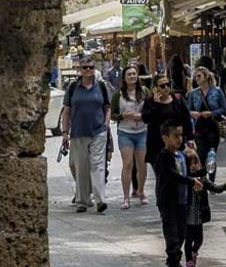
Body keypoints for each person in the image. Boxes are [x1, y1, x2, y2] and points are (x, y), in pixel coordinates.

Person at [153, 118, 201, 267]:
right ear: (165, 138)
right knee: (172, 232)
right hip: (168, 201)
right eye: (175, 136)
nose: (179, 139)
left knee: (181, 232)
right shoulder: (163, 157)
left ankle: (174, 260)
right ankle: (172, 263)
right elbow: (172, 175)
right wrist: (190, 181)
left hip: (182, 200)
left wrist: (196, 178)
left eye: (181, 136)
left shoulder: (181, 156)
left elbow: (187, 174)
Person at [61, 58, 111, 213]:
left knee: (97, 165)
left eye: (90, 67)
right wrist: (64, 132)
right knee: (81, 167)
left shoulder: (101, 86)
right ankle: (82, 200)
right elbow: (67, 111)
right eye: (85, 67)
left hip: (98, 131)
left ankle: (100, 200)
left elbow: (107, 107)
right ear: (80, 70)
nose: (88, 70)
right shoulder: (73, 88)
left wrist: (106, 124)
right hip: (78, 132)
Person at [183, 140, 226, 267]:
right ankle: (189, 261)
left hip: (199, 216)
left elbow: (216, 188)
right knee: (188, 239)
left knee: (199, 240)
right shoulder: (185, 180)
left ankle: (194, 252)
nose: (193, 166)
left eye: (195, 163)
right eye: (189, 164)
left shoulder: (203, 179)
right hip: (187, 216)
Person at [143, 73, 193, 179]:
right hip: (157, 145)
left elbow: (186, 119)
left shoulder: (178, 99)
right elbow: (146, 119)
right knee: (162, 176)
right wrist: (156, 104)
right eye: (162, 86)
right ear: (155, 88)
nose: (166, 87)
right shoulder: (150, 102)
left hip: (177, 142)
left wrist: (190, 138)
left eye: (167, 84)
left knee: (178, 173)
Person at [115, 63, 148, 209]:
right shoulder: (118, 94)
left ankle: (141, 191)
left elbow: (151, 110)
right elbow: (113, 115)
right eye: (129, 74)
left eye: (134, 74)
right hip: (125, 132)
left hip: (142, 131)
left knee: (142, 164)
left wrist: (141, 116)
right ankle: (126, 197)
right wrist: (123, 115)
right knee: (128, 164)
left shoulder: (145, 92)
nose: (132, 76)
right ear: (124, 78)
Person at [187, 65, 226, 165]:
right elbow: (188, 110)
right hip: (198, 128)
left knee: (211, 155)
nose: (196, 78)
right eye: (195, 76)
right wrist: (193, 113)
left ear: (206, 77)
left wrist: (211, 113)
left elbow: (224, 109)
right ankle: (203, 178)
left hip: (213, 127)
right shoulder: (193, 93)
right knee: (201, 153)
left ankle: (211, 178)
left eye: (199, 76)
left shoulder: (217, 91)